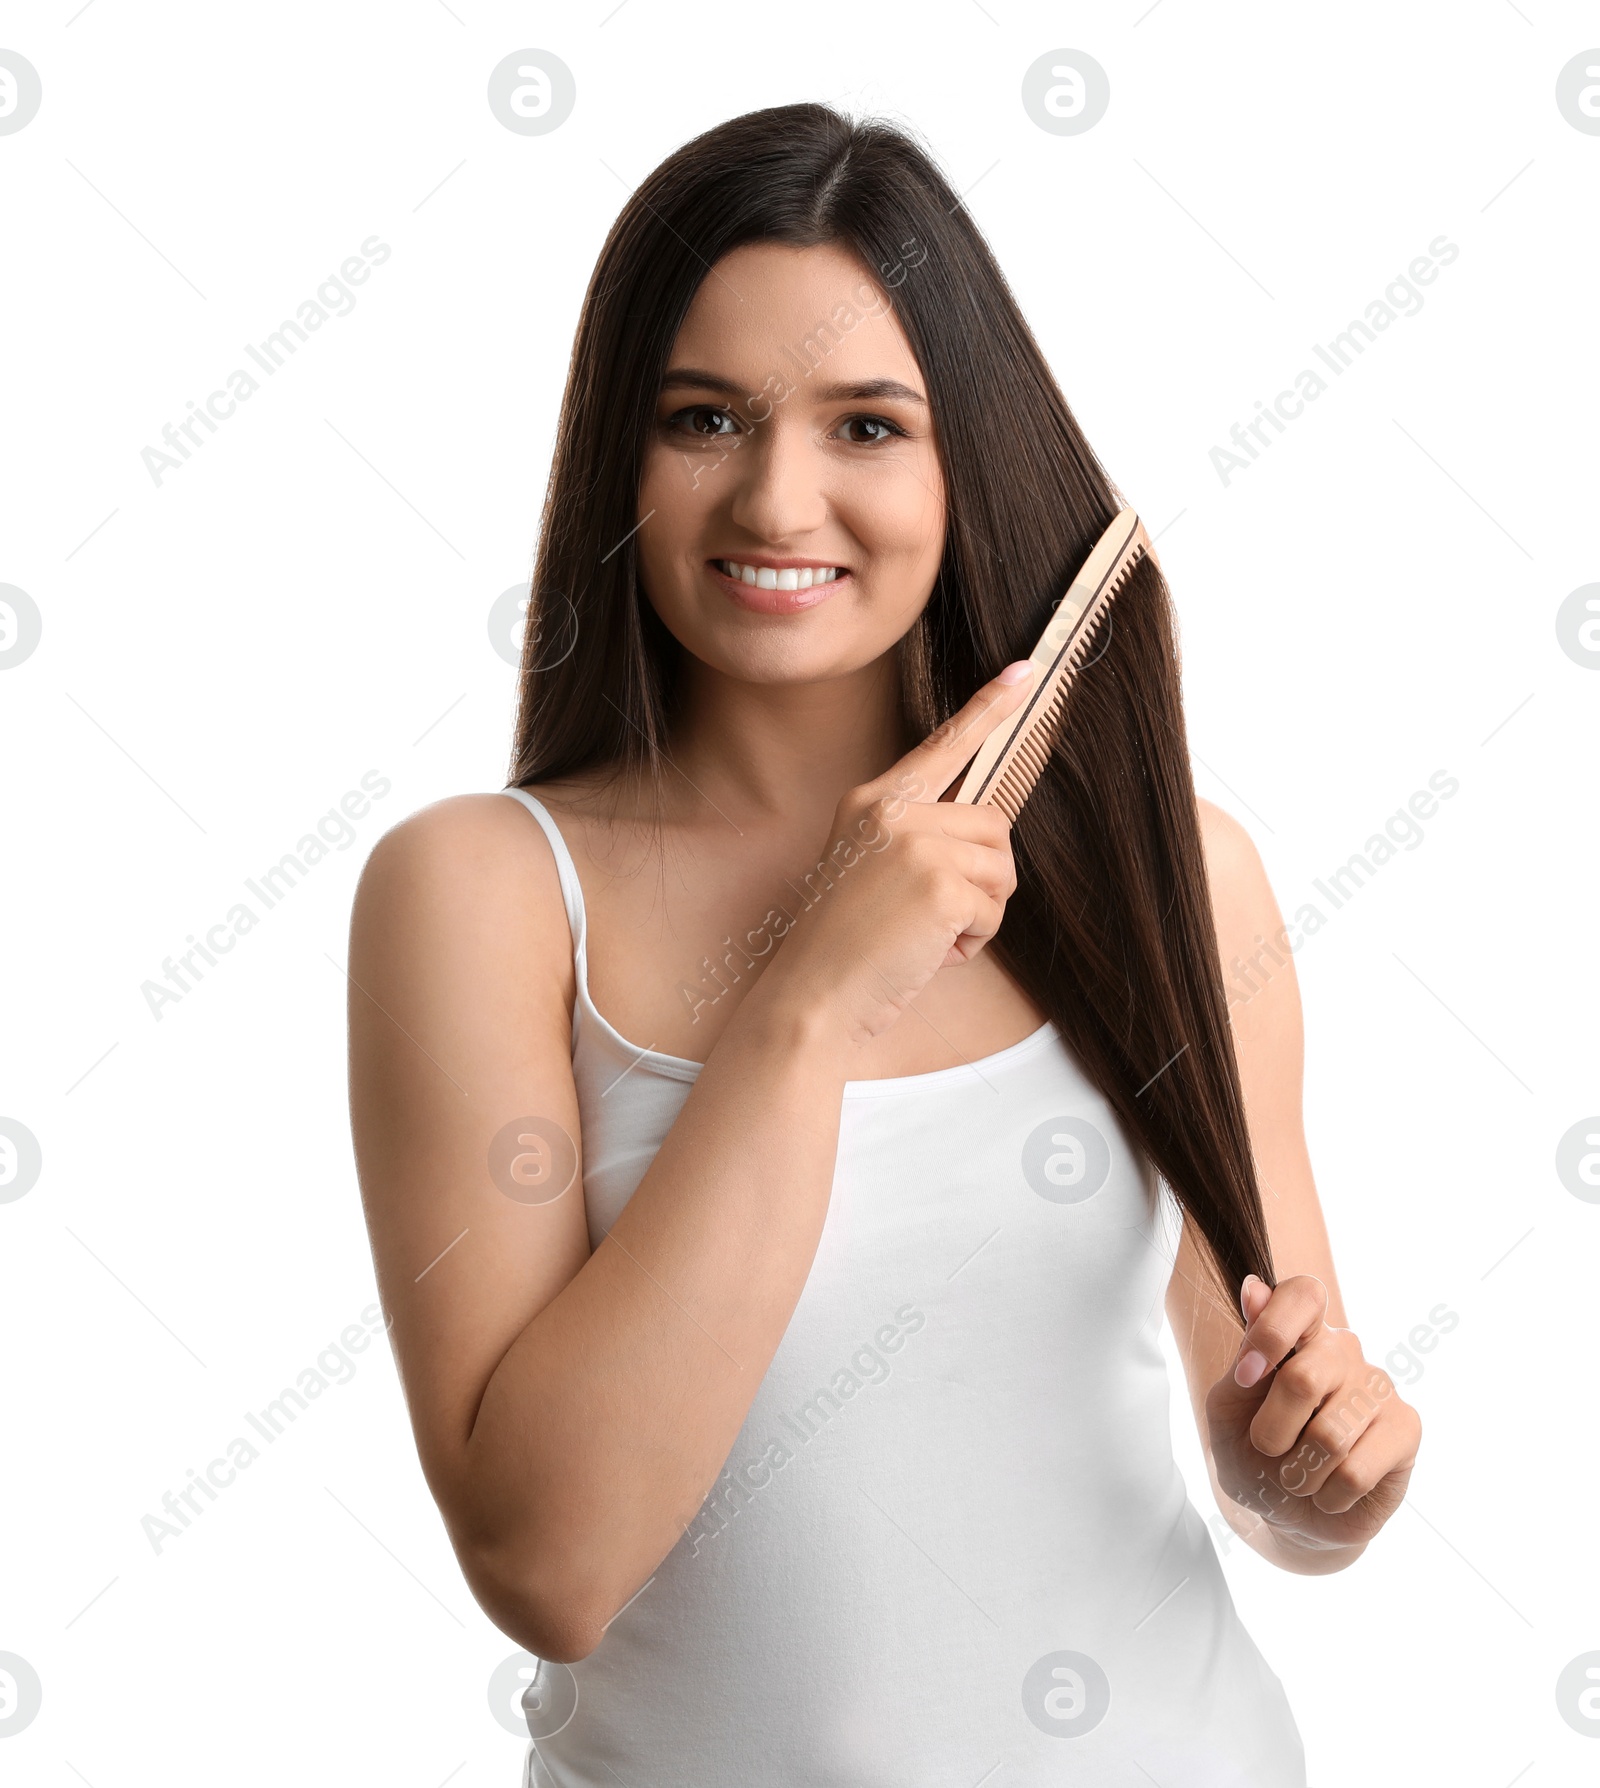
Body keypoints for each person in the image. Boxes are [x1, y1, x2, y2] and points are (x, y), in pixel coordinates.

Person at [346, 102, 1421, 1785]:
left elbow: (1273, 1460)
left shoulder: (1180, 882)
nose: (779, 496)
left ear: (963, 462)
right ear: (618, 453)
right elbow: (549, 1565)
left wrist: (1320, 1487)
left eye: (866, 424)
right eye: (705, 417)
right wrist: (807, 1005)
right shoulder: (480, 894)